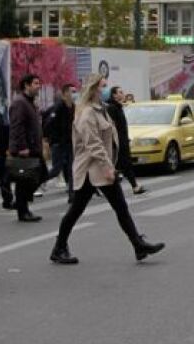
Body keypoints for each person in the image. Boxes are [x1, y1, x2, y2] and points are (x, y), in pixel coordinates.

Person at [50, 73, 164, 264]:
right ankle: (59, 247)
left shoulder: (101, 109)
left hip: (101, 168)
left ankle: (138, 245)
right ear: (93, 89)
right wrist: (107, 167)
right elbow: (93, 144)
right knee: (78, 210)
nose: (105, 90)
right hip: (91, 169)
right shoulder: (87, 113)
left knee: (118, 207)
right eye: (102, 86)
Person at [9, 74, 44, 222]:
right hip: (25, 149)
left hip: (34, 147)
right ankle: (22, 210)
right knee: (24, 180)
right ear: (26, 85)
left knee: (39, 175)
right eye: (35, 83)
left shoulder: (30, 102)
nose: (38, 86)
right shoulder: (20, 102)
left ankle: (20, 203)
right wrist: (22, 147)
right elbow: (17, 126)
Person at [106, 86, 146, 195]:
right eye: (120, 92)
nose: (122, 94)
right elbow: (112, 127)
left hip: (123, 141)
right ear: (114, 95)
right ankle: (134, 186)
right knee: (124, 165)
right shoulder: (112, 108)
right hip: (118, 143)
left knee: (123, 165)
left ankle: (133, 186)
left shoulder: (118, 107)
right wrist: (117, 142)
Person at [44, 84, 76, 204]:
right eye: (72, 92)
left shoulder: (73, 107)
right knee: (56, 170)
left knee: (72, 169)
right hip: (58, 143)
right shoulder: (58, 107)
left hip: (70, 143)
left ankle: (72, 195)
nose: (74, 94)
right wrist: (49, 139)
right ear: (65, 93)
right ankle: (37, 181)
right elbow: (48, 123)